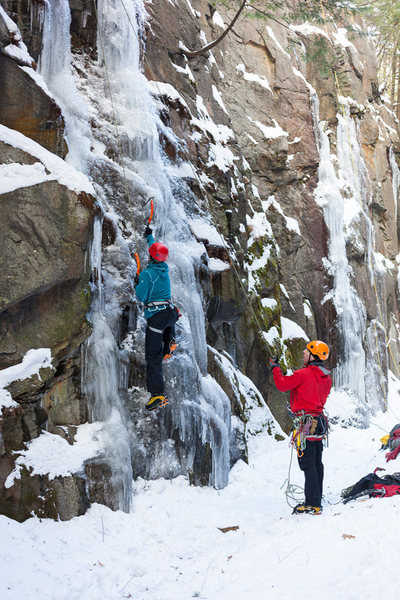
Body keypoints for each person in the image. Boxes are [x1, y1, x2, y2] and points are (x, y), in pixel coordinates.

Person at [269, 340, 331, 515]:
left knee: (307, 463)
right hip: (318, 422)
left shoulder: (304, 374)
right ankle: (317, 496)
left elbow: (282, 384)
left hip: (306, 425)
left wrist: (275, 368)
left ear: (314, 355)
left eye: (307, 350)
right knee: (316, 461)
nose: (304, 352)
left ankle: (313, 503)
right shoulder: (326, 376)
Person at [134, 225, 178, 411]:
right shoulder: (164, 268)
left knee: (153, 357)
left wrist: (138, 282)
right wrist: (149, 236)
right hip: (170, 314)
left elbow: (141, 297)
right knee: (167, 328)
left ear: (151, 256)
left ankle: (157, 395)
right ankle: (170, 341)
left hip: (157, 318)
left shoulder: (147, 274)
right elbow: (157, 250)